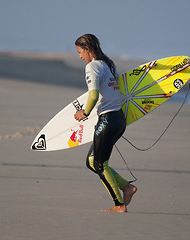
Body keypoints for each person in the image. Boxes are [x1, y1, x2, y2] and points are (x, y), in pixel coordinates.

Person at [74, 34, 137, 212]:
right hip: (118, 119)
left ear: (87, 49)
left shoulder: (92, 66)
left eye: (80, 52)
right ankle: (127, 188)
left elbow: (93, 95)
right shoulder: (108, 64)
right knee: (92, 161)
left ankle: (119, 205)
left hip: (108, 119)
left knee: (100, 164)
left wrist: (84, 113)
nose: (79, 56)